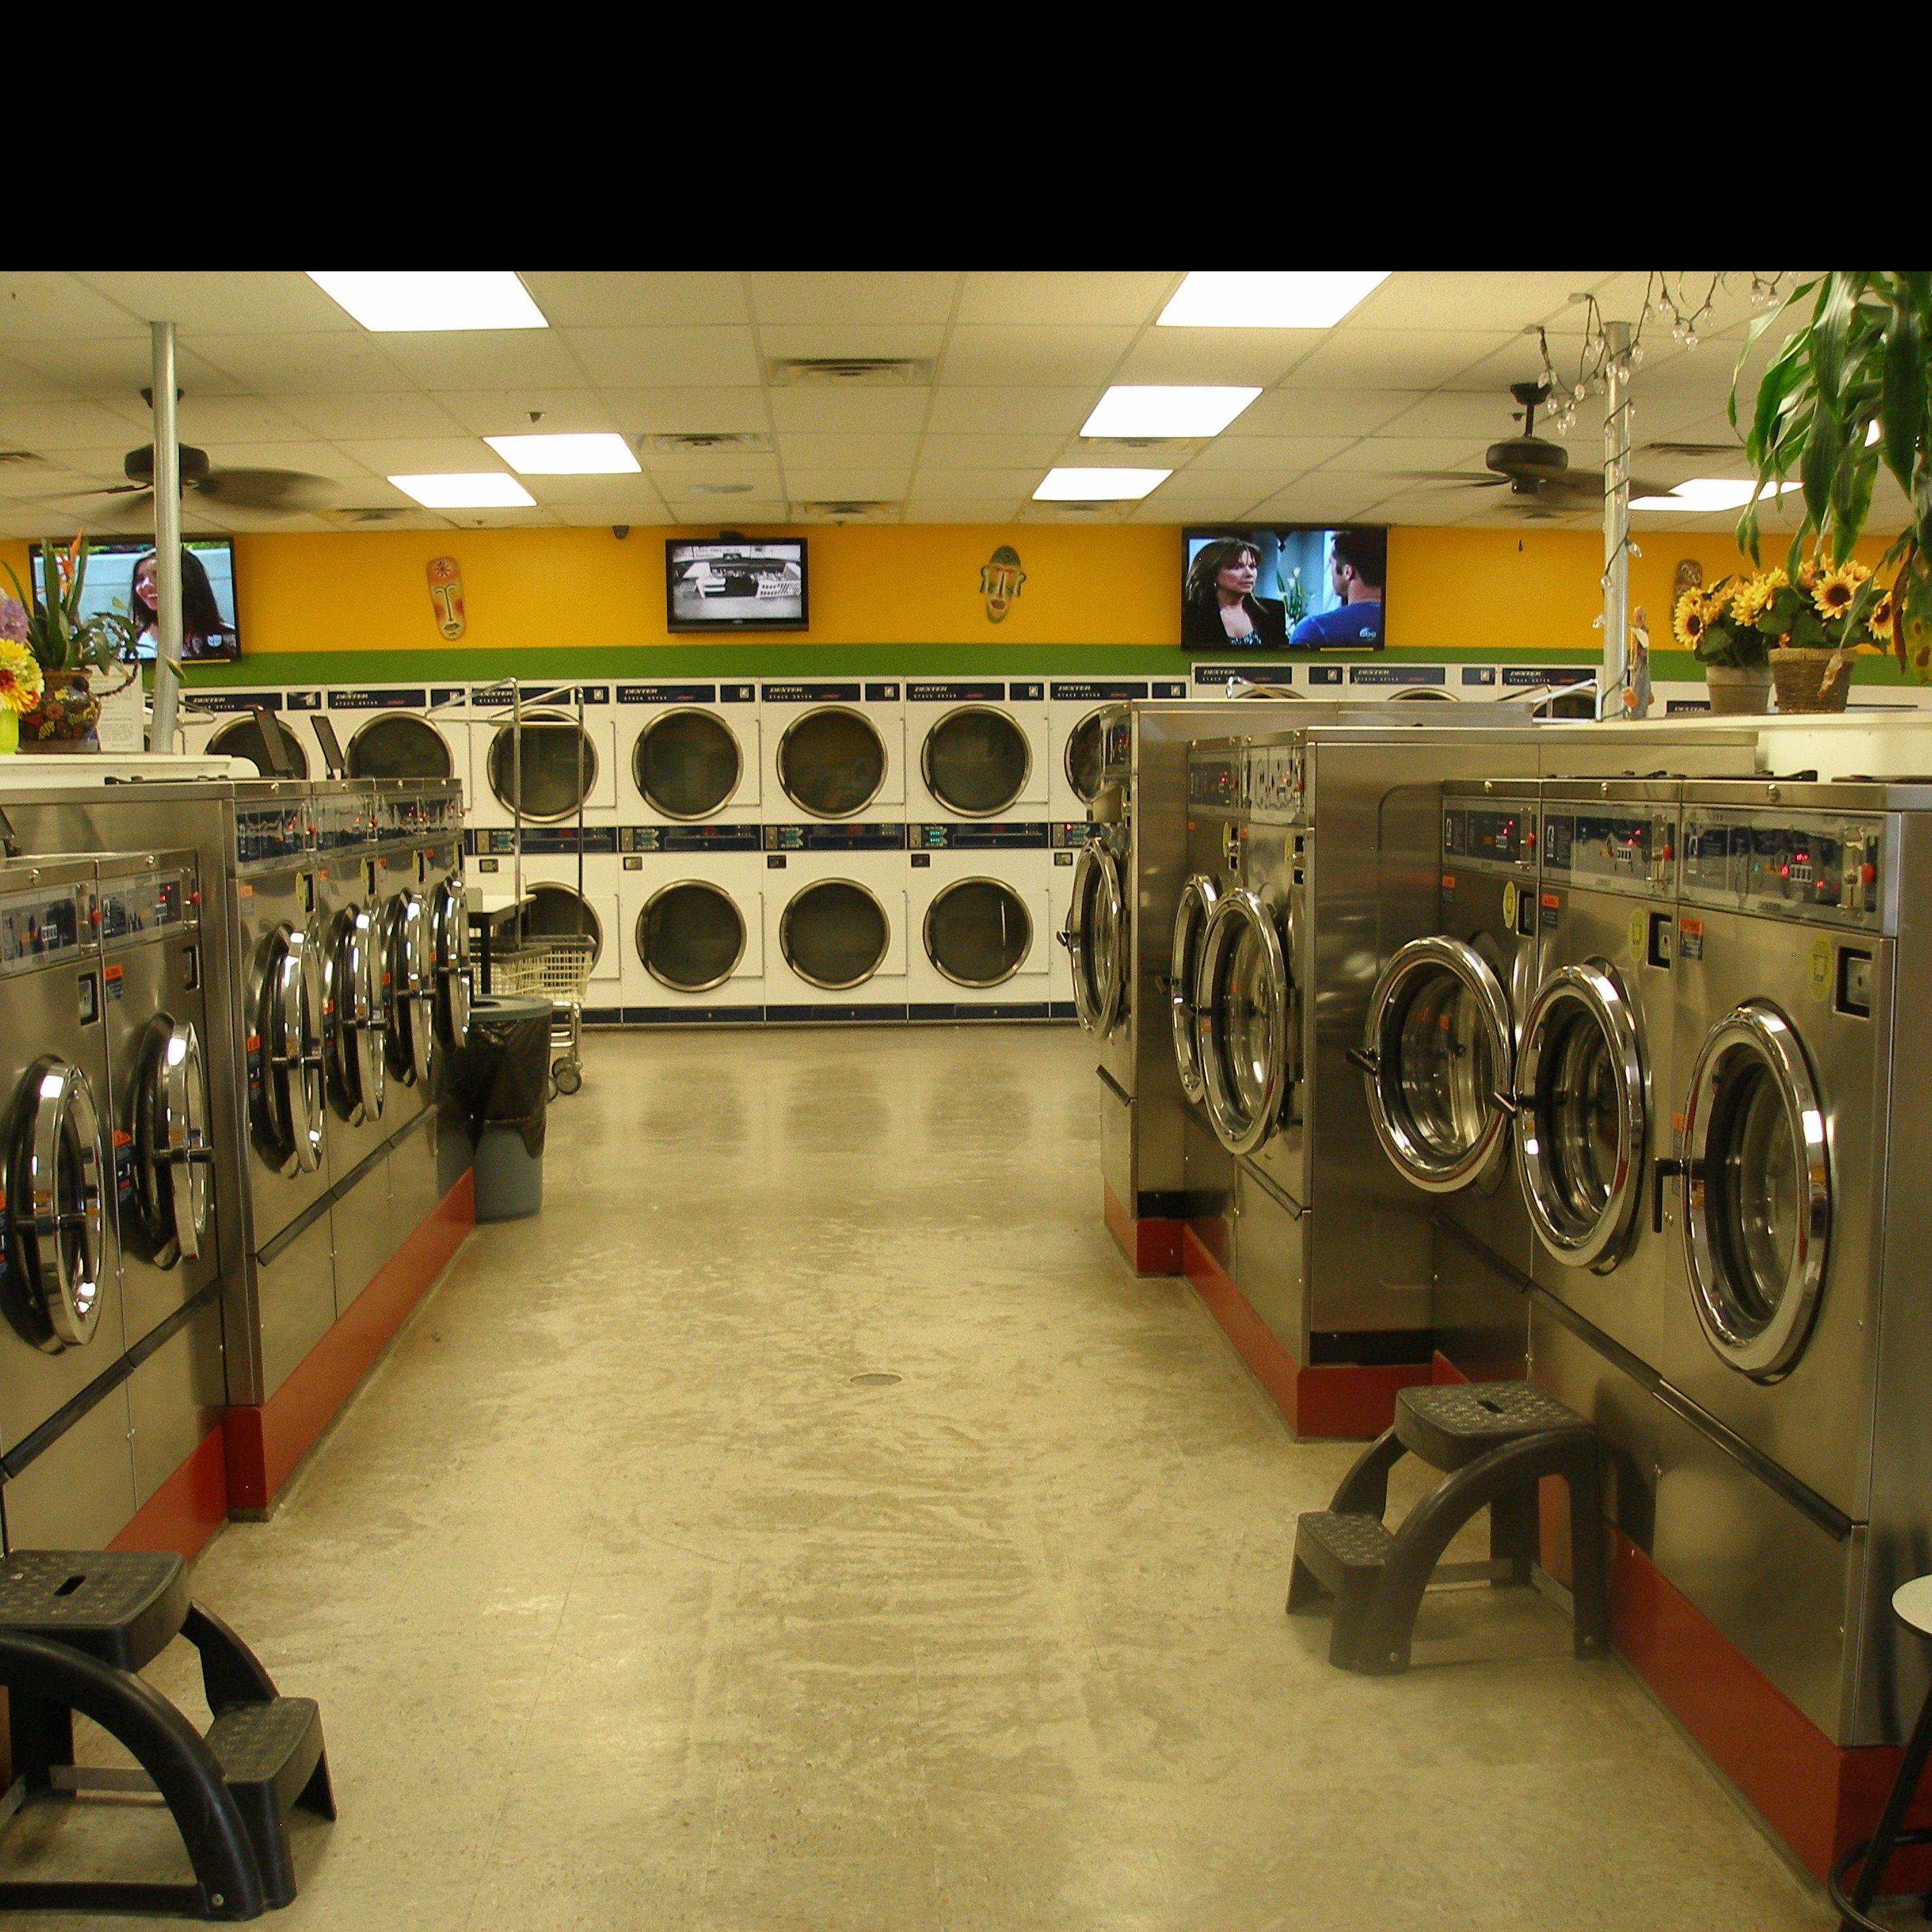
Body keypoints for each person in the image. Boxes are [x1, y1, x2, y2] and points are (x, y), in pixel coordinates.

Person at [130, 549, 237, 660]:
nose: (146, 585)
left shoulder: (227, 638)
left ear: (188, 580)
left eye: (158, 575)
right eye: (140, 579)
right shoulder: (131, 637)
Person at [1181, 538, 1288, 649]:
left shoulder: (1273, 611)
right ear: (1213, 573)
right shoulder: (1193, 616)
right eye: (1237, 567)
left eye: (1252, 566)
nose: (1249, 574)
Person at [1290, 528, 1385, 647]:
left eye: (1331, 564)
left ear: (1347, 572)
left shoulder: (1313, 630)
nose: (1331, 572)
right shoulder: (1406, 624)